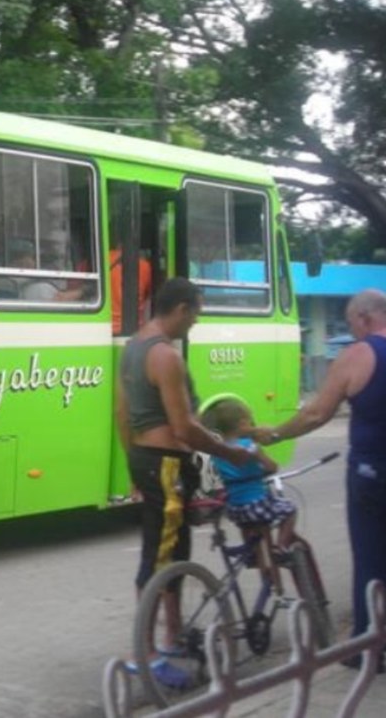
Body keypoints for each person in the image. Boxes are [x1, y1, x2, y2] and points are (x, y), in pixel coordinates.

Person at [117, 277, 251, 686]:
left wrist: (132, 466)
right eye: (195, 314)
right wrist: (230, 452)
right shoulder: (165, 357)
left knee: (173, 553)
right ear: (180, 310)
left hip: (145, 458)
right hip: (167, 464)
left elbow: (121, 416)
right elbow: (184, 427)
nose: (195, 322)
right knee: (158, 559)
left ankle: (171, 638)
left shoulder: (133, 349)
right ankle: (148, 653)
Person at [252, 288, 386, 673]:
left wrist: (275, 434)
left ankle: (367, 645)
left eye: (350, 322)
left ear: (364, 318)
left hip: (372, 474)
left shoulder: (360, 355)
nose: (352, 330)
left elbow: (316, 414)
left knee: (371, 558)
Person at [210, 401, 298, 551]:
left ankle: (252, 554)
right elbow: (272, 467)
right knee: (290, 510)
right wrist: (263, 471)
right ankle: (281, 546)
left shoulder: (217, 450)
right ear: (243, 423)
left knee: (247, 525)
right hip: (256, 503)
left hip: (234, 508)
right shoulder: (249, 445)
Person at [110, 244, 153, 335]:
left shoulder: (101, 260)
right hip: (136, 328)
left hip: (105, 327)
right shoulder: (145, 266)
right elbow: (148, 298)